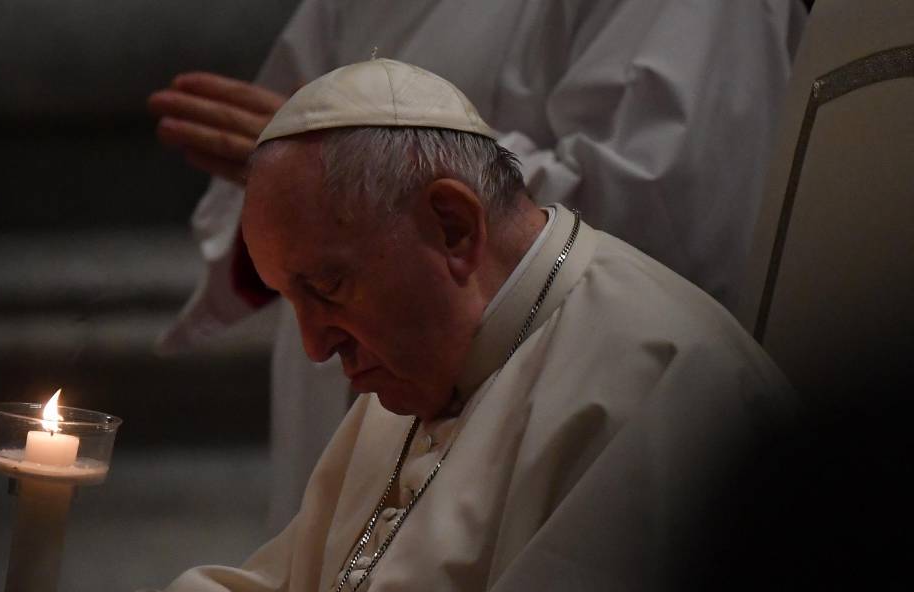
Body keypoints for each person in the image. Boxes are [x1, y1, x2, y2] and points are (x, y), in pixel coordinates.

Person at [0, 60, 794, 592]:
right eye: (293, 306)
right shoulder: (430, 380)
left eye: (327, 290)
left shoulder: (654, 373)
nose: (317, 347)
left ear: (454, 226)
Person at [148, 0, 808, 536]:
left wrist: (378, 165)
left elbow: (675, 219)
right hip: (380, 406)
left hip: (556, 413)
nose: (316, 345)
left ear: (458, 226)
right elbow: (288, 136)